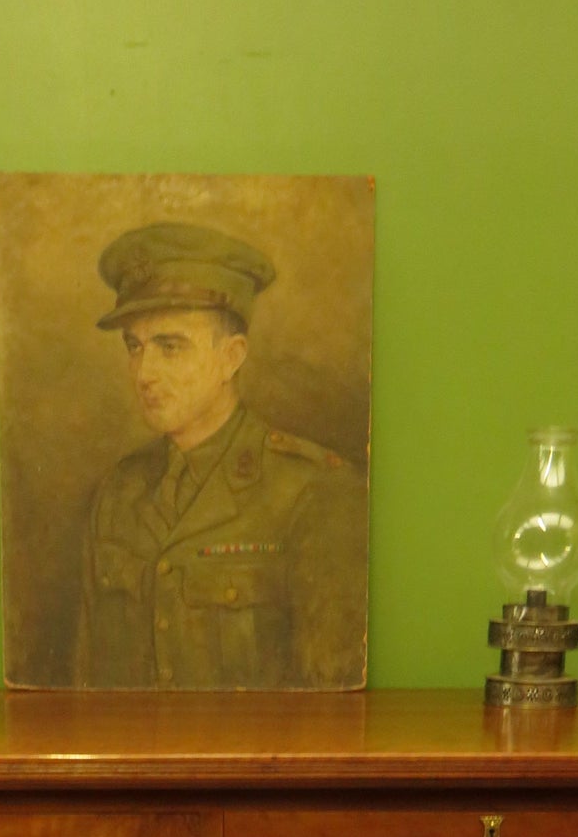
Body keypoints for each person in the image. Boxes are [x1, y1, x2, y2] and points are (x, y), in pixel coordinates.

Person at [77, 222, 367, 688]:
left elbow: (330, 713)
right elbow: (86, 695)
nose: (143, 373)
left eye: (170, 347)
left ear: (231, 358)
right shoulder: (118, 494)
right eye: (135, 347)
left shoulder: (315, 492)